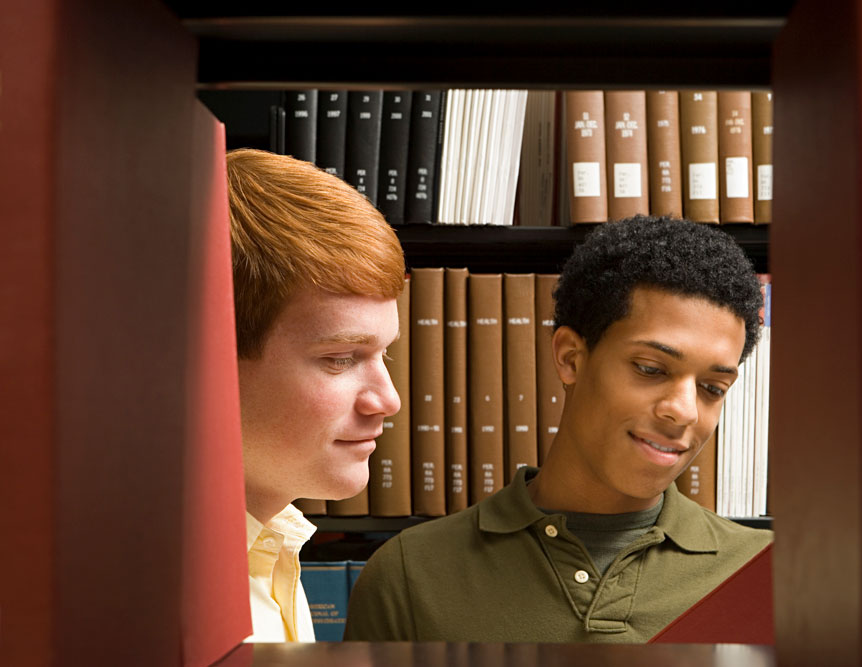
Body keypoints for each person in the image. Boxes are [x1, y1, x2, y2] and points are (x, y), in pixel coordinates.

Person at [344, 215, 773, 643]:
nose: (684, 412)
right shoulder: (407, 576)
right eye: (650, 369)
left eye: (712, 389)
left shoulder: (771, 580)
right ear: (570, 358)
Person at [227, 148, 405, 642]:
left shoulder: (273, 547)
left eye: (384, 354)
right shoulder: (138, 601)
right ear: (207, 362)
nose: (387, 401)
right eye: (341, 359)